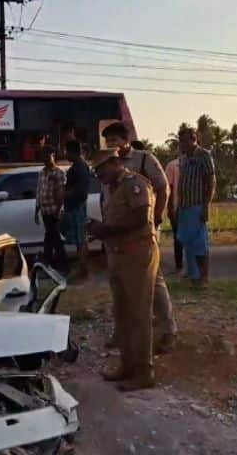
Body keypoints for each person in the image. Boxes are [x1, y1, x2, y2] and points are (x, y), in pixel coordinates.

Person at [102, 121, 178, 354]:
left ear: (126, 141)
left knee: (153, 282)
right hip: (116, 234)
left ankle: (167, 330)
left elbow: (163, 187)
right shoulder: (108, 164)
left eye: (115, 141)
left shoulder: (144, 159)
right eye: (108, 142)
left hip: (141, 233)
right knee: (118, 283)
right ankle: (121, 331)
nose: (111, 145)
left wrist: (156, 218)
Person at [87, 149, 159, 392]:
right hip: (117, 254)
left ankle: (144, 371)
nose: (98, 175)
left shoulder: (136, 183)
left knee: (139, 313)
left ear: (115, 163)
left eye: (100, 169)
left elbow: (141, 218)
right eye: (95, 171)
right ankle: (127, 365)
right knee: (122, 313)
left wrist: (107, 230)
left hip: (137, 253)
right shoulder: (109, 188)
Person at [176, 126, 216, 288]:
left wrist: (206, 206)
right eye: (180, 142)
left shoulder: (203, 155)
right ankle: (194, 277)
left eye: (185, 141)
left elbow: (211, 182)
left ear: (194, 140)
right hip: (184, 206)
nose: (182, 145)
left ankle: (204, 278)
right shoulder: (184, 159)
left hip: (197, 206)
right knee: (187, 242)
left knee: (200, 243)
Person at [35, 146, 68, 274]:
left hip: (54, 211)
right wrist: (36, 211)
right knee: (50, 237)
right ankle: (50, 264)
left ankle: (61, 265)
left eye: (47, 156)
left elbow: (61, 194)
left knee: (54, 238)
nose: (45, 159)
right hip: (44, 211)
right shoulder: (42, 172)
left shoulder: (59, 173)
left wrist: (57, 211)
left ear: (53, 155)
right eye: (43, 157)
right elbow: (39, 192)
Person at [63, 140, 91, 281]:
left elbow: (80, 191)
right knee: (79, 240)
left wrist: (65, 193)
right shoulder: (79, 166)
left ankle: (83, 270)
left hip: (77, 206)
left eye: (66, 151)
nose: (65, 154)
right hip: (75, 205)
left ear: (72, 151)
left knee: (81, 240)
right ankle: (82, 268)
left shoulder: (79, 167)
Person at [164, 153, 184, 273]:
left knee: (179, 237)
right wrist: (170, 207)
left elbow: (168, 188)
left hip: (177, 207)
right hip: (180, 207)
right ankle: (182, 266)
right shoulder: (173, 165)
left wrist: (170, 207)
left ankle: (180, 266)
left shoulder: (172, 165)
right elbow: (169, 188)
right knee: (183, 237)